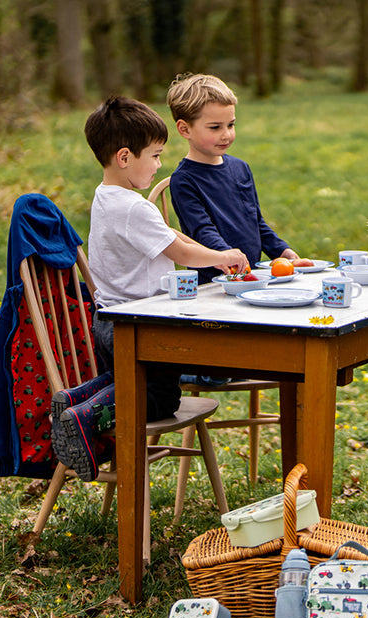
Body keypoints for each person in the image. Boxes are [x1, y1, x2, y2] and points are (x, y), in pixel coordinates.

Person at [50, 96, 248, 481]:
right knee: (161, 397)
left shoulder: (107, 197)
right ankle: (84, 415)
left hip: (108, 320)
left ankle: (74, 397)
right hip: (141, 326)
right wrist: (221, 258)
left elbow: (169, 232)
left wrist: (214, 251)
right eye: (155, 156)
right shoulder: (134, 208)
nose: (159, 165)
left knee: (123, 382)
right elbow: (179, 251)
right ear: (125, 157)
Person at [166, 73, 299, 286]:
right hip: (212, 283)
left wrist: (283, 251)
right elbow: (202, 231)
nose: (226, 134)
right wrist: (227, 256)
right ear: (184, 129)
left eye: (231, 125)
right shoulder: (184, 180)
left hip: (251, 278)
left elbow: (257, 223)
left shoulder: (240, 168)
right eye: (215, 127)